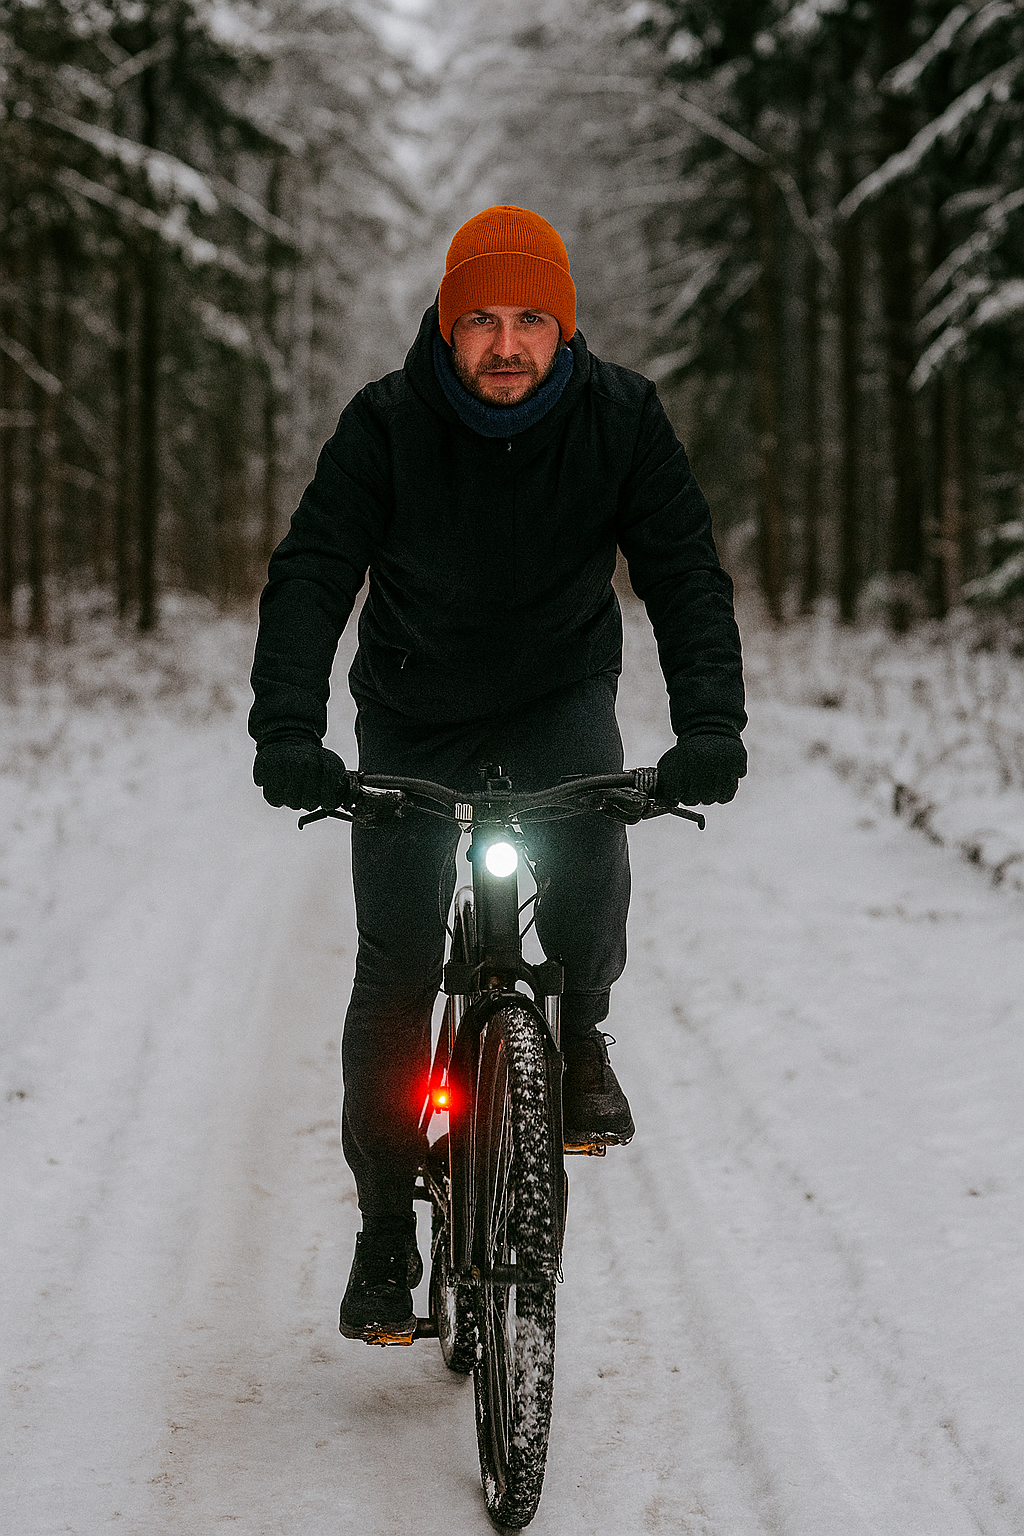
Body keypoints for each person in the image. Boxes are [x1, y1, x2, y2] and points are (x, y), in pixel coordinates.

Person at [249, 205, 746, 1341]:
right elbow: (314, 569)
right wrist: (288, 728)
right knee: (396, 969)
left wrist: (709, 722)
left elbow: (681, 569)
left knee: (588, 878)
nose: (506, 343)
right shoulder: (385, 424)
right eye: (480, 320)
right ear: (445, 322)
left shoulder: (621, 419)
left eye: (530, 319)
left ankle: (579, 1043)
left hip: (557, 694)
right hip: (414, 712)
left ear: (564, 329)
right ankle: (385, 1232)